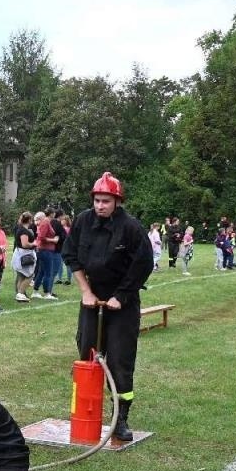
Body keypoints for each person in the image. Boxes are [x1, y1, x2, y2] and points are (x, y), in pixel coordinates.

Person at [65, 172, 155, 442]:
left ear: (117, 201)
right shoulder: (83, 221)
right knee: (87, 353)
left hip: (122, 300)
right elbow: (71, 256)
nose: (100, 206)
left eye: (105, 201)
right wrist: (86, 291)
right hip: (92, 297)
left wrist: (122, 296)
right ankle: (85, 410)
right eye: (97, 200)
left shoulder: (131, 228)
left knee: (120, 360)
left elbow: (143, 264)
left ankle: (120, 418)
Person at [32, 211, 61, 299]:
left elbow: (40, 237)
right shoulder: (45, 222)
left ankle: (35, 291)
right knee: (48, 272)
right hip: (46, 250)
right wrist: (53, 240)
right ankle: (47, 293)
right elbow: (41, 237)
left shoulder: (42, 224)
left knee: (41, 272)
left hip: (42, 250)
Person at [13, 213, 38, 303]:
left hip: (21, 254)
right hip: (24, 254)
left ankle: (20, 295)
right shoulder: (23, 231)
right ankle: (20, 293)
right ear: (29, 220)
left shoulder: (21, 228)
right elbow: (25, 244)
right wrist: (34, 244)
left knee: (21, 276)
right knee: (29, 275)